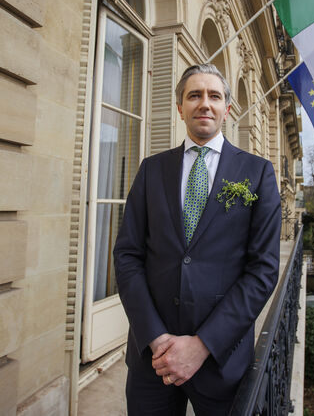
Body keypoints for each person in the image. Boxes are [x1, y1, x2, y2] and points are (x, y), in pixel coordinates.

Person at [113, 63, 282, 415]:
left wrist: (203, 345)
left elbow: (263, 270)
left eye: (214, 96)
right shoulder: (151, 170)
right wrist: (156, 338)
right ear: (180, 107)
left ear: (227, 109)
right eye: (194, 95)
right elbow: (128, 255)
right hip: (153, 361)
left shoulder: (257, 172)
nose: (204, 103)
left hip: (222, 362)